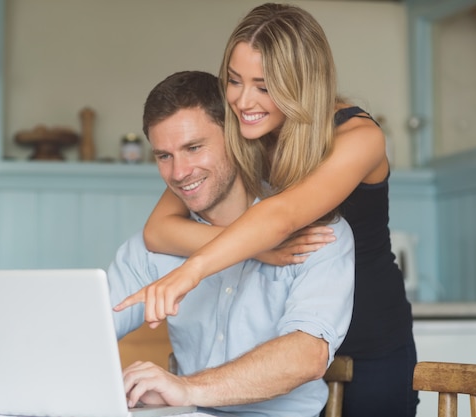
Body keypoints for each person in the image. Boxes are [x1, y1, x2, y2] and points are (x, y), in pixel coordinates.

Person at [115, 3, 419, 417]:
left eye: (264, 85)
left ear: (301, 84)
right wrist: (257, 250)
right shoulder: (248, 132)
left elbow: (281, 219)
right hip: (291, 315)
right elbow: (159, 230)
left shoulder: (358, 137)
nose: (242, 100)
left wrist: (190, 272)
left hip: (367, 331)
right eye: (235, 81)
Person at [109, 70, 355, 417]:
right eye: (164, 156)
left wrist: (187, 388)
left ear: (236, 138)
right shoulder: (152, 248)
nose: (179, 173)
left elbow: (306, 356)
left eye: (194, 148)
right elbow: (88, 324)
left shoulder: (319, 235)